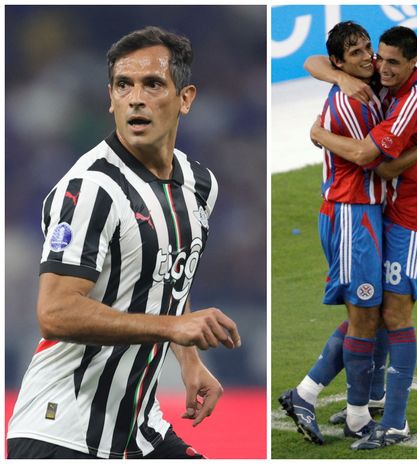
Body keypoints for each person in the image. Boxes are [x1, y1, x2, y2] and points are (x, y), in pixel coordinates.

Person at [7, 26, 241, 459]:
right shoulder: (90, 189)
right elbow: (55, 312)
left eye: (152, 84)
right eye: (123, 85)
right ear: (110, 98)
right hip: (61, 431)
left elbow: (170, 275)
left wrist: (189, 360)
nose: (136, 98)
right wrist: (172, 328)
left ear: (185, 98)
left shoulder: (199, 184)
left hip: (140, 428)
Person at [279, 22, 417, 447]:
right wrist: (322, 122)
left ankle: (364, 408)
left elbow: (387, 160)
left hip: (404, 213)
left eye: (375, 53)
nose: (376, 63)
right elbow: (366, 156)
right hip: (354, 212)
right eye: (361, 54)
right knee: (370, 314)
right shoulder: (352, 99)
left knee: (382, 313)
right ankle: (346, 408)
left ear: (411, 63)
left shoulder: (395, 91)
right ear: (340, 61)